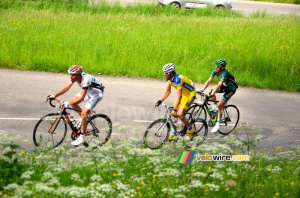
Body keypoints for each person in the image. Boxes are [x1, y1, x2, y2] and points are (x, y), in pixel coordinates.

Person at [47, 65, 104, 146]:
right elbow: (67, 87)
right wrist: (55, 95)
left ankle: (81, 137)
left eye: (72, 75)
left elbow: (82, 98)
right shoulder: (76, 77)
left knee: (83, 112)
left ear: (78, 75)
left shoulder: (85, 80)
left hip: (96, 94)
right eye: (70, 74)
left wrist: (68, 103)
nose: (71, 76)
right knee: (73, 103)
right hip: (89, 91)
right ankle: (85, 117)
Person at [155, 63, 196, 141]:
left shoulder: (178, 79)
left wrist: (175, 109)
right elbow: (167, 92)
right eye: (164, 72)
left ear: (171, 73)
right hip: (184, 94)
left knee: (179, 114)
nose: (164, 74)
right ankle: (174, 132)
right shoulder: (169, 79)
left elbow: (179, 96)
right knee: (171, 112)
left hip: (190, 94)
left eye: (166, 73)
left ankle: (190, 128)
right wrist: (160, 101)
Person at [199, 59, 238, 133]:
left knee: (219, 105)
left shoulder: (225, 73)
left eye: (217, 66)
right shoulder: (215, 71)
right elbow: (209, 81)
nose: (215, 67)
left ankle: (217, 124)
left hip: (231, 89)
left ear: (222, 68)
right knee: (210, 90)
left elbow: (219, 85)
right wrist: (202, 90)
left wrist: (212, 94)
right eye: (215, 66)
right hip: (225, 85)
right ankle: (214, 106)